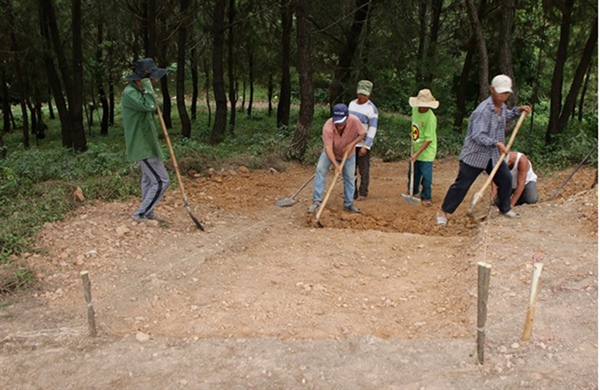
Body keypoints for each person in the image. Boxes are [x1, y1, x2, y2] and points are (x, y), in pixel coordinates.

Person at [436, 74, 532, 226]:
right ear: (492, 90)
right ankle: (443, 211)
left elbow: (505, 116)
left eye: (506, 93)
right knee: (462, 185)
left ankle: (504, 208)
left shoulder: (501, 107)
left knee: (505, 179)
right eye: (501, 92)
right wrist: (497, 143)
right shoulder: (482, 111)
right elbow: (478, 135)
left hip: (493, 156)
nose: (503, 96)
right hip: (475, 155)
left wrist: (518, 111)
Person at [122, 58, 170, 223]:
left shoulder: (139, 91)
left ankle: (148, 213)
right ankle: (140, 213)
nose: (155, 81)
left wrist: (147, 86)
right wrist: (148, 86)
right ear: (143, 79)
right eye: (152, 79)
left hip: (148, 143)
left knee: (149, 179)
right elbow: (150, 105)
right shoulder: (130, 93)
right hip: (142, 145)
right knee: (162, 180)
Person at [307, 103, 366, 214]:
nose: (339, 125)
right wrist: (336, 165)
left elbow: (362, 133)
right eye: (337, 122)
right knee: (320, 171)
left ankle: (348, 204)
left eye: (342, 122)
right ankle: (317, 202)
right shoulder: (327, 126)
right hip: (330, 152)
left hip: (348, 154)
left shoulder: (354, 120)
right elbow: (328, 149)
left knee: (349, 177)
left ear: (347, 117)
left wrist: (352, 144)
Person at [407, 89, 439, 207]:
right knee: (413, 172)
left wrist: (417, 154)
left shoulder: (431, 118)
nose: (422, 108)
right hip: (416, 147)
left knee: (426, 176)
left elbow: (428, 140)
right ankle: (413, 190)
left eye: (425, 106)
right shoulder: (415, 110)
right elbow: (415, 126)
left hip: (426, 151)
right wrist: (413, 134)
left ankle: (426, 196)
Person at [348, 80, 379, 201]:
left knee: (363, 169)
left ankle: (363, 192)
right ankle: (352, 191)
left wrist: (366, 146)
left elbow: (373, 128)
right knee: (350, 169)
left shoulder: (372, 109)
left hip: (362, 143)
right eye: (360, 94)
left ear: (369, 94)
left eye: (364, 95)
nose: (362, 97)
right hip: (351, 143)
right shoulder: (351, 104)